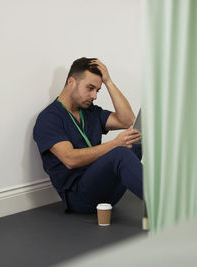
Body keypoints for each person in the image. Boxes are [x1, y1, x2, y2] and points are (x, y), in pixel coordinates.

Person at [33, 57, 143, 214]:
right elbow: (70, 159)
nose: (94, 96)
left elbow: (127, 120)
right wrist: (114, 144)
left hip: (105, 191)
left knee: (138, 139)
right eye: (90, 88)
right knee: (120, 152)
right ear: (71, 82)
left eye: (97, 90)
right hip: (80, 198)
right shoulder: (48, 118)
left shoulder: (90, 111)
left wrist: (109, 82)